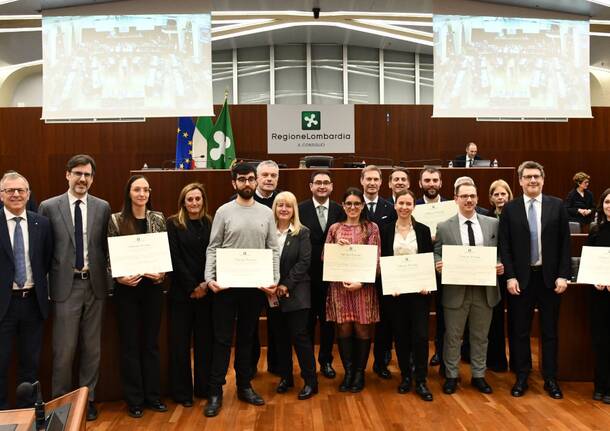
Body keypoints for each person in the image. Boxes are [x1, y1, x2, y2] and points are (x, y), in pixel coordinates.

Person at [38, 154, 111, 421]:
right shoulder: (48, 206)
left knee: (92, 349)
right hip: (63, 287)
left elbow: (105, 247)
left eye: (88, 175)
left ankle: (86, 399)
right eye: (78, 173)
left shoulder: (102, 207)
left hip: (95, 286)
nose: (82, 179)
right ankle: (60, 402)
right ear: (67, 174)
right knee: (64, 349)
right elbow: (43, 252)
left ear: (93, 178)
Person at [203, 162, 279, 417]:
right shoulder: (224, 211)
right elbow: (213, 247)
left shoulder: (267, 213)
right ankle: (215, 391)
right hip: (225, 286)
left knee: (247, 338)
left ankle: (244, 386)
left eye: (250, 179)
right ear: (233, 183)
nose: (247, 183)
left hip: (254, 286)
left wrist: (274, 278)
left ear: (256, 181)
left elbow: (273, 248)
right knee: (222, 339)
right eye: (242, 179)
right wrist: (209, 278)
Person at [499, 161, 571, 399]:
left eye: (536, 177)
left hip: (550, 280)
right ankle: (522, 376)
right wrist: (509, 276)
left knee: (550, 331)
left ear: (543, 179)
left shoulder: (557, 205)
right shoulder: (510, 209)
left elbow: (564, 244)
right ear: (519, 181)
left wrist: (563, 274)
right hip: (521, 280)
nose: (532, 181)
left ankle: (550, 378)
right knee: (520, 331)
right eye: (528, 177)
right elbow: (505, 246)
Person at [107, 175, 167, 418]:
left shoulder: (158, 218)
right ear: (128, 193)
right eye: (137, 189)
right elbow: (109, 254)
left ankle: (153, 396)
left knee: (151, 344)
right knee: (130, 345)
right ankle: (134, 400)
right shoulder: (116, 219)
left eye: (145, 190)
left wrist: (161, 273)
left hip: (152, 289)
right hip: (126, 290)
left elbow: (164, 251)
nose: (142, 194)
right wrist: (118, 277)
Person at [434, 182, 503, 395]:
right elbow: (436, 252)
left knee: (480, 336)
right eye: (464, 196)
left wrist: (500, 264)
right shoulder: (444, 226)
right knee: (453, 336)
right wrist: (438, 263)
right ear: (455, 199)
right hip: (456, 290)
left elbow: (500, 251)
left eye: (472, 196)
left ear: (477, 198)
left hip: (484, 290)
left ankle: (479, 375)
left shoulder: (492, 224)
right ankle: (452, 376)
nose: (469, 200)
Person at [0, 172, 52, 410]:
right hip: (4, 306)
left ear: (28, 194)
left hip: (33, 303)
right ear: (1, 195)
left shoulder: (41, 224)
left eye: (21, 190)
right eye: (10, 190)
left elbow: (47, 259)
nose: (16, 194)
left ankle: (26, 414)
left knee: (30, 365)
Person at [379, 189, 434, 401]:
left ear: (414, 206)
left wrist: (427, 283)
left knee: (420, 337)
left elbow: (428, 259)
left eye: (408, 203)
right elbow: (382, 260)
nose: (404, 207)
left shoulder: (423, 230)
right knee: (400, 337)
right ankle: (405, 377)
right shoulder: (385, 230)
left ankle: (421, 380)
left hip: (419, 293)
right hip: (395, 294)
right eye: (400, 203)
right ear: (395, 205)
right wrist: (388, 282)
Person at [325, 187, 381, 393]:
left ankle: (359, 373)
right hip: (339, 288)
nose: (352, 207)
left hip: (363, 289)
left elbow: (376, 260)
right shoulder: (334, 229)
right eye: (348, 204)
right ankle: (348, 372)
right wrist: (336, 248)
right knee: (344, 329)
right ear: (343, 205)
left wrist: (362, 283)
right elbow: (325, 257)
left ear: (363, 205)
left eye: (357, 204)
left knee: (362, 329)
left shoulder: (371, 228)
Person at [166, 183, 213, 407]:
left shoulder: (211, 223)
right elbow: (174, 259)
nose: (194, 203)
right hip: (181, 295)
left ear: (203, 200)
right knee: (180, 345)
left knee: (205, 343)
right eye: (189, 199)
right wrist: (192, 286)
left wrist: (204, 285)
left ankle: (203, 388)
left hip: (207, 294)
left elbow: (215, 254)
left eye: (197, 199)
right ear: (183, 202)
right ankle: (182, 393)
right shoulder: (173, 223)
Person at [269, 191, 318, 400]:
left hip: (297, 293)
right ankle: (286, 377)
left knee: (300, 337)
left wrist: (286, 285)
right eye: (279, 205)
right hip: (271, 292)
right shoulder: (268, 232)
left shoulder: (302, 232)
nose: (283, 209)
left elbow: (304, 263)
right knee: (279, 337)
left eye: (288, 206)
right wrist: (272, 286)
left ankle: (310, 381)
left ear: (294, 210)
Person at [298, 171, 345, 379]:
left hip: (331, 277)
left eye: (326, 183)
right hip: (306, 277)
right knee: (306, 324)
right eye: (318, 183)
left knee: (328, 323)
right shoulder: (299, 209)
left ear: (332, 186)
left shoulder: (340, 210)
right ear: (310, 186)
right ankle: (307, 366)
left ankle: (325, 361)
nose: (322, 186)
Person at [360, 165, 395, 378]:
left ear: (381, 183)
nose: (372, 183)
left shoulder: (389, 208)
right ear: (362, 180)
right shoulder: (352, 204)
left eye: (376, 179)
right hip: (357, 271)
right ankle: (357, 366)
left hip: (383, 273)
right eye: (368, 179)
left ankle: (381, 362)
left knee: (384, 320)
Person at [416, 166, 449, 370]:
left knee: (444, 313)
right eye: (427, 180)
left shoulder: (450, 206)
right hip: (420, 269)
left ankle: (440, 352)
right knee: (420, 315)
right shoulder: (413, 205)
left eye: (434, 180)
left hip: (445, 267)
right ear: (420, 183)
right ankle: (417, 356)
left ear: (440, 183)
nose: (431, 184)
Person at [251, 160, 281, 375]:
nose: (269, 179)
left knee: (276, 322)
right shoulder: (243, 200)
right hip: (250, 273)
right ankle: (250, 365)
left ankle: (276, 364)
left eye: (273, 175)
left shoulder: (283, 202)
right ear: (257, 178)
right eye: (265, 175)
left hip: (274, 273)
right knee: (250, 322)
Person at [485, 179, 514, 372]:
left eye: (503, 194)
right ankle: (495, 360)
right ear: (490, 198)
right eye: (496, 194)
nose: (500, 197)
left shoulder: (517, 216)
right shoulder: (486, 218)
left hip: (512, 274)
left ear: (509, 195)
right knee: (493, 319)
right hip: (491, 273)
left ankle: (517, 362)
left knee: (514, 319)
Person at [585, 188, 610, 405]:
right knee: (600, 341)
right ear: (602, 205)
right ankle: (599, 386)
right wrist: (594, 279)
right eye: (607, 202)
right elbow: (588, 262)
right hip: (599, 294)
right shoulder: (595, 229)